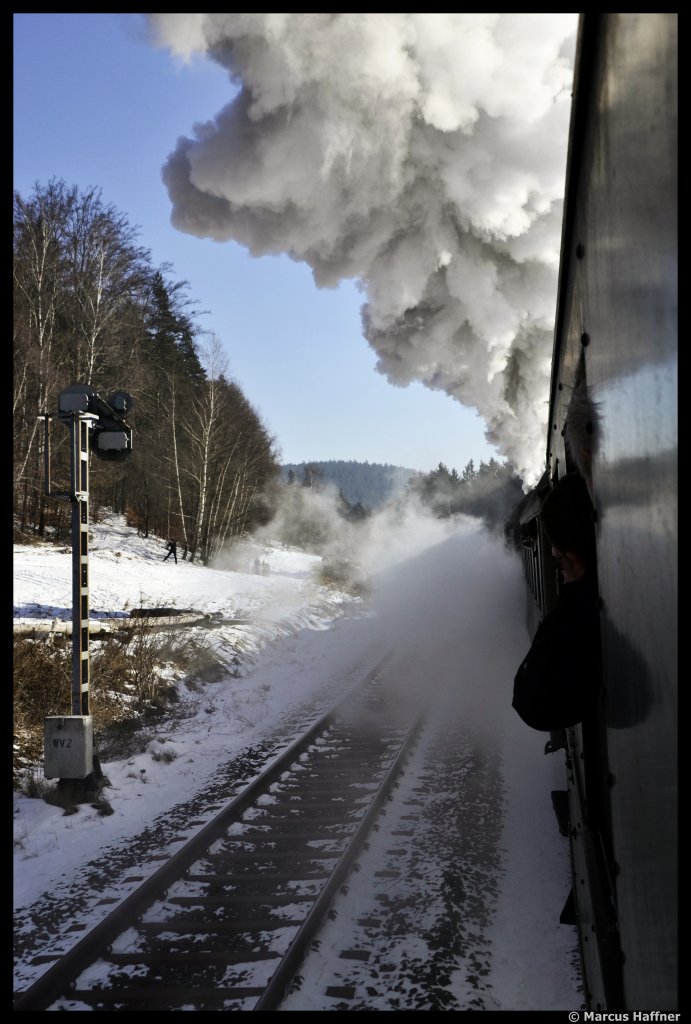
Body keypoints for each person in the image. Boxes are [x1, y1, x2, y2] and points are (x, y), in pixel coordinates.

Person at [512, 472, 601, 732]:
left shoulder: (577, 616)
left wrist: (573, 595)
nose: (553, 558)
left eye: (558, 555)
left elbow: (534, 702)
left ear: (575, 558)